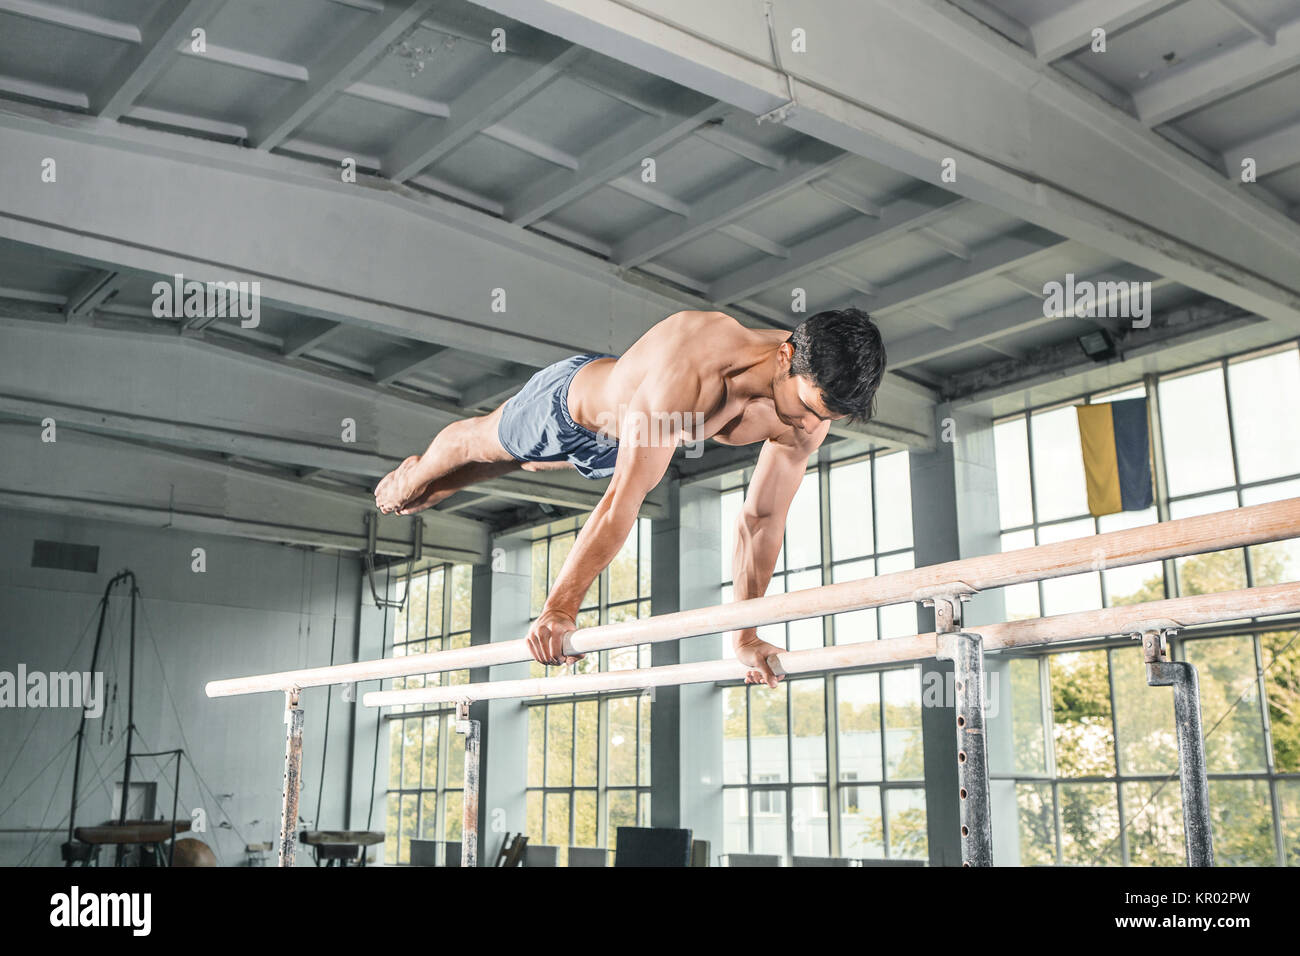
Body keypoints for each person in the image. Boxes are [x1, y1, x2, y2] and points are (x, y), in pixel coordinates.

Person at [374, 308, 886, 686]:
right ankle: (411, 477)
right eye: (808, 407)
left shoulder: (809, 412)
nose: (809, 424)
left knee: (520, 464)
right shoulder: (694, 368)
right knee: (479, 447)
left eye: (827, 418)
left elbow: (762, 518)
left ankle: (446, 480)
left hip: (625, 445)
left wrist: (745, 634)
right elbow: (623, 500)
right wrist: (559, 608)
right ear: (785, 356)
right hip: (570, 410)